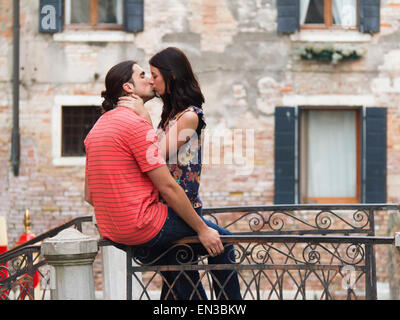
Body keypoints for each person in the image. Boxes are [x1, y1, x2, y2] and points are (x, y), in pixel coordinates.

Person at [85, 59, 242, 300]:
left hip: (113, 231)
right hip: (143, 224)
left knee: (179, 260)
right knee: (223, 241)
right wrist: (202, 230)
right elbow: (167, 186)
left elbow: (89, 195)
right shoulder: (136, 124)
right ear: (128, 88)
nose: (149, 79)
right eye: (143, 75)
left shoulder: (97, 127)